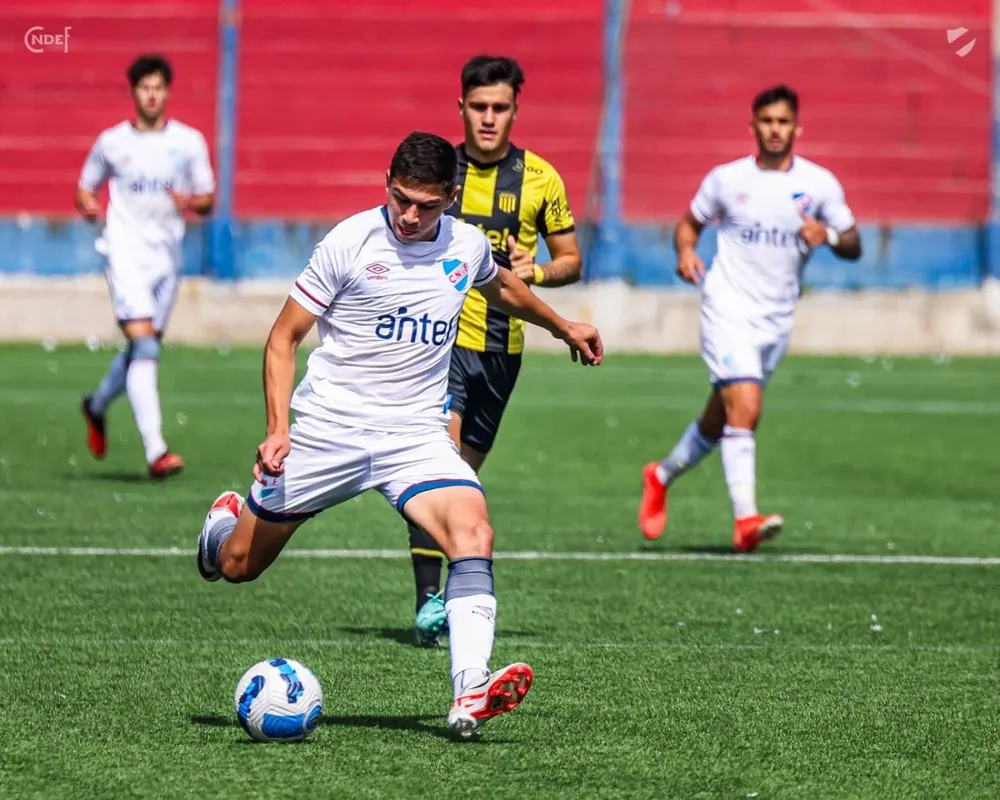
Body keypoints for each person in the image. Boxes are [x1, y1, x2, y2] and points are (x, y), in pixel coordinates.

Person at [194, 132, 603, 741]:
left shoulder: (465, 245)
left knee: (474, 531)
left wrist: (562, 325)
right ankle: (221, 530)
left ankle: (469, 689)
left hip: (415, 436)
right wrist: (278, 430)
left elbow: (501, 286)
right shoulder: (350, 242)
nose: (410, 215)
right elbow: (283, 338)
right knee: (236, 567)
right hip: (329, 431)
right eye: (400, 199)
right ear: (387, 184)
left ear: (451, 197)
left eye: (426, 205)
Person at [638, 84, 862, 551]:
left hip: (776, 320)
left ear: (797, 128)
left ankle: (660, 476)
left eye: (783, 121)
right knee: (748, 405)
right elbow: (689, 224)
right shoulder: (727, 179)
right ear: (753, 126)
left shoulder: (819, 184)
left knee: (721, 417)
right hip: (727, 307)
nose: (775, 129)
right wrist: (685, 251)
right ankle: (745, 520)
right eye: (767, 121)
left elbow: (853, 243)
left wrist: (828, 236)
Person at [408, 55, 584, 647]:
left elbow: (571, 260)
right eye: (479, 107)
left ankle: (441, 595)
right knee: (442, 464)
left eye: (499, 108)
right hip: (442, 343)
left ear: (514, 111)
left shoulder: (540, 179)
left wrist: (541, 271)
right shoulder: (440, 172)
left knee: (463, 472)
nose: (488, 118)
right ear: (460, 107)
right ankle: (429, 603)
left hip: (502, 350)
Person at [77, 54, 215, 478]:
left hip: (166, 258)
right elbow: (85, 188)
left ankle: (96, 406)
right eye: (144, 87)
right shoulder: (112, 142)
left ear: (167, 92)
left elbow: (208, 200)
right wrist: (88, 205)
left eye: (158, 87)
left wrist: (190, 202)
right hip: (124, 253)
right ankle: (156, 450)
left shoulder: (188, 142)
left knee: (144, 347)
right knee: (146, 346)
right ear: (133, 92)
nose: (151, 95)